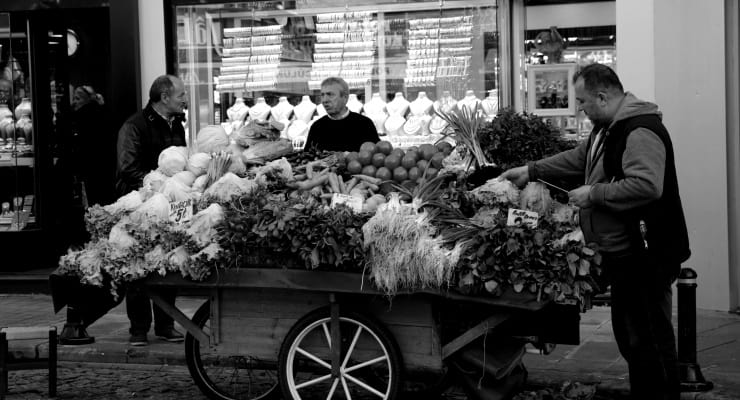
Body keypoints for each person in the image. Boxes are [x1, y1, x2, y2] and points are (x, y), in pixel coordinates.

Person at [501, 63, 689, 400]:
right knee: (632, 338)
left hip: (646, 253)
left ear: (602, 97)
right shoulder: (606, 128)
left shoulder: (639, 130)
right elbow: (579, 158)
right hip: (623, 253)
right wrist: (531, 170)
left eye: (584, 101)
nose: (581, 109)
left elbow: (647, 185)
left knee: (649, 340)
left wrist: (594, 193)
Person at [116, 74, 188, 346]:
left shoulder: (177, 124)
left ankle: (165, 325)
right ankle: (138, 329)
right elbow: (127, 168)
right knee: (139, 261)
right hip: (140, 201)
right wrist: (155, 185)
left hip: (168, 201)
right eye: (180, 94)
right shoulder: (134, 126)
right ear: (164, 97)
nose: (185, 98)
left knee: (167, 257)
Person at [303, 77, 379, 152]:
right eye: (322, 95)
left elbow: (378, 157)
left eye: (330, 94)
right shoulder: (317, 128)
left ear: (345, 98)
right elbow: (307, 159)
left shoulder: (364, 124)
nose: (324, 100)